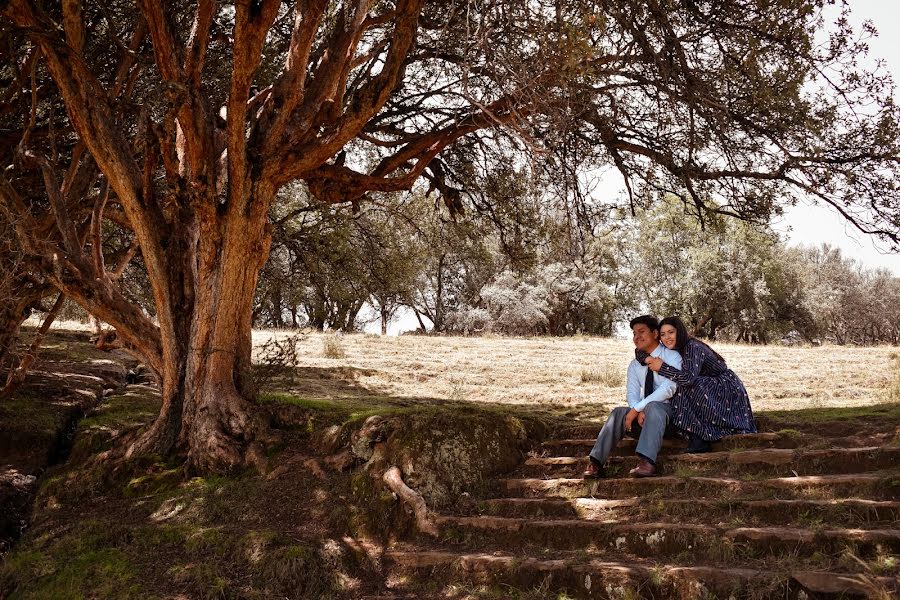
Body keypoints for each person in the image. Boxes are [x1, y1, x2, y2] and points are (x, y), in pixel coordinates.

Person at [582, 315, 682, 479]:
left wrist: (640, 407)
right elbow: (632, 393)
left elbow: (669, 389)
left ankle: (647, 462)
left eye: (641, 332)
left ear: (655, 333)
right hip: (645, 417)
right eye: (634, 334)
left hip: (670, 417)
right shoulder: (635, 365)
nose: (637, 337)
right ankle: (595, 463)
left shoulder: (672, 356)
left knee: (654, 407)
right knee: (618, 413)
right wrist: (637, 408)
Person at [642, 316, 757, 454]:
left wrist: (662, 367)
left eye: (671, 332)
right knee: (680, 385)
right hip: (705, 386)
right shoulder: (675, 348)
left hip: (724, 388)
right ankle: (696, 436)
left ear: (680, 331)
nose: (667, 337)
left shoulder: (692, 347)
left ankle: (698, 438)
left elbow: (688, 378)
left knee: (682, 385)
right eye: (663, 334)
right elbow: (639, 351)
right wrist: (646, 358)